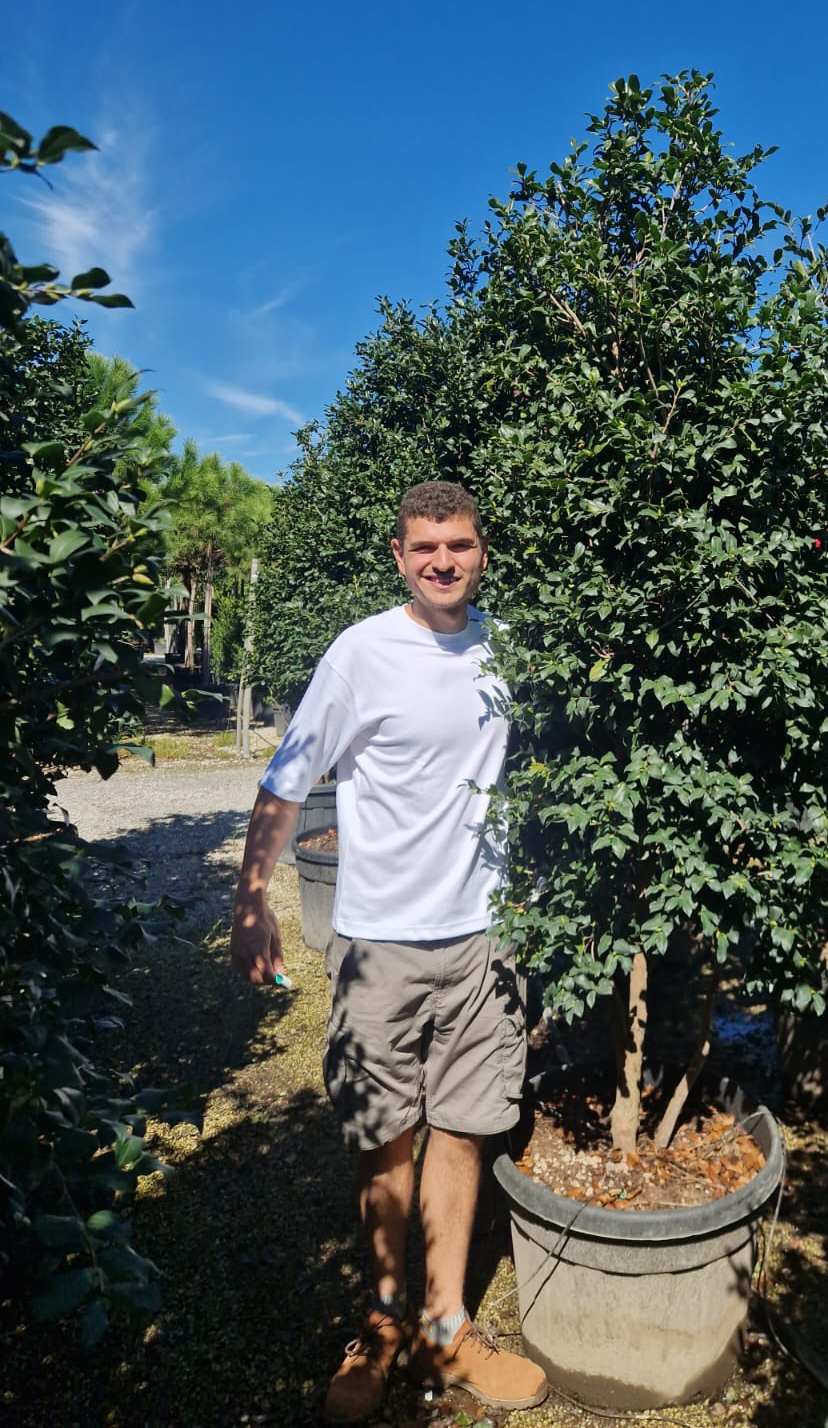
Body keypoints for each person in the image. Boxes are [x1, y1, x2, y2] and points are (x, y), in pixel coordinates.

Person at [230, 480, 547, 1424]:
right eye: (424, 548)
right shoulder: (361, 654)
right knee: (383, 1138)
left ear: (483, 550)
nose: (443, 561)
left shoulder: (507, 648)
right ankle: (379, 1323)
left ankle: (446, 1325)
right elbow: (289, 780)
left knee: (463, 1130)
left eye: (460, 544)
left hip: (484, 941)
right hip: (380, 944)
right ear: (399, 556)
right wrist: (253, 901)